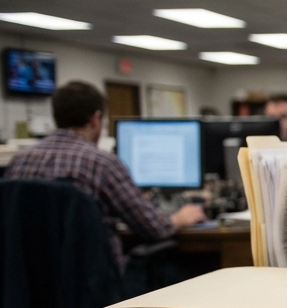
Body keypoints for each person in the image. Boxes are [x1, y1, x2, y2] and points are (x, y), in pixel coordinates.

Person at [5, 81, 206, 270]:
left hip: (26, 283)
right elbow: (152, 228)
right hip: (91, 281)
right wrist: (178, 218)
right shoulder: (101, 163)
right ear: (96, 118)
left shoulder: (18, 160)